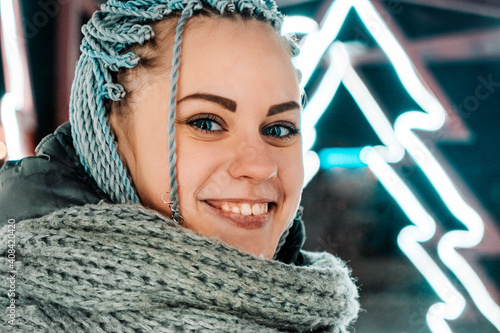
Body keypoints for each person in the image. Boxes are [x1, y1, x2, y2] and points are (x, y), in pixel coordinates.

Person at [0, 0, 359, 331]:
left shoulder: (315, 313)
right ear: (108, 136)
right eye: (206, 122)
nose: (260, 165)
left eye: (280, 129)